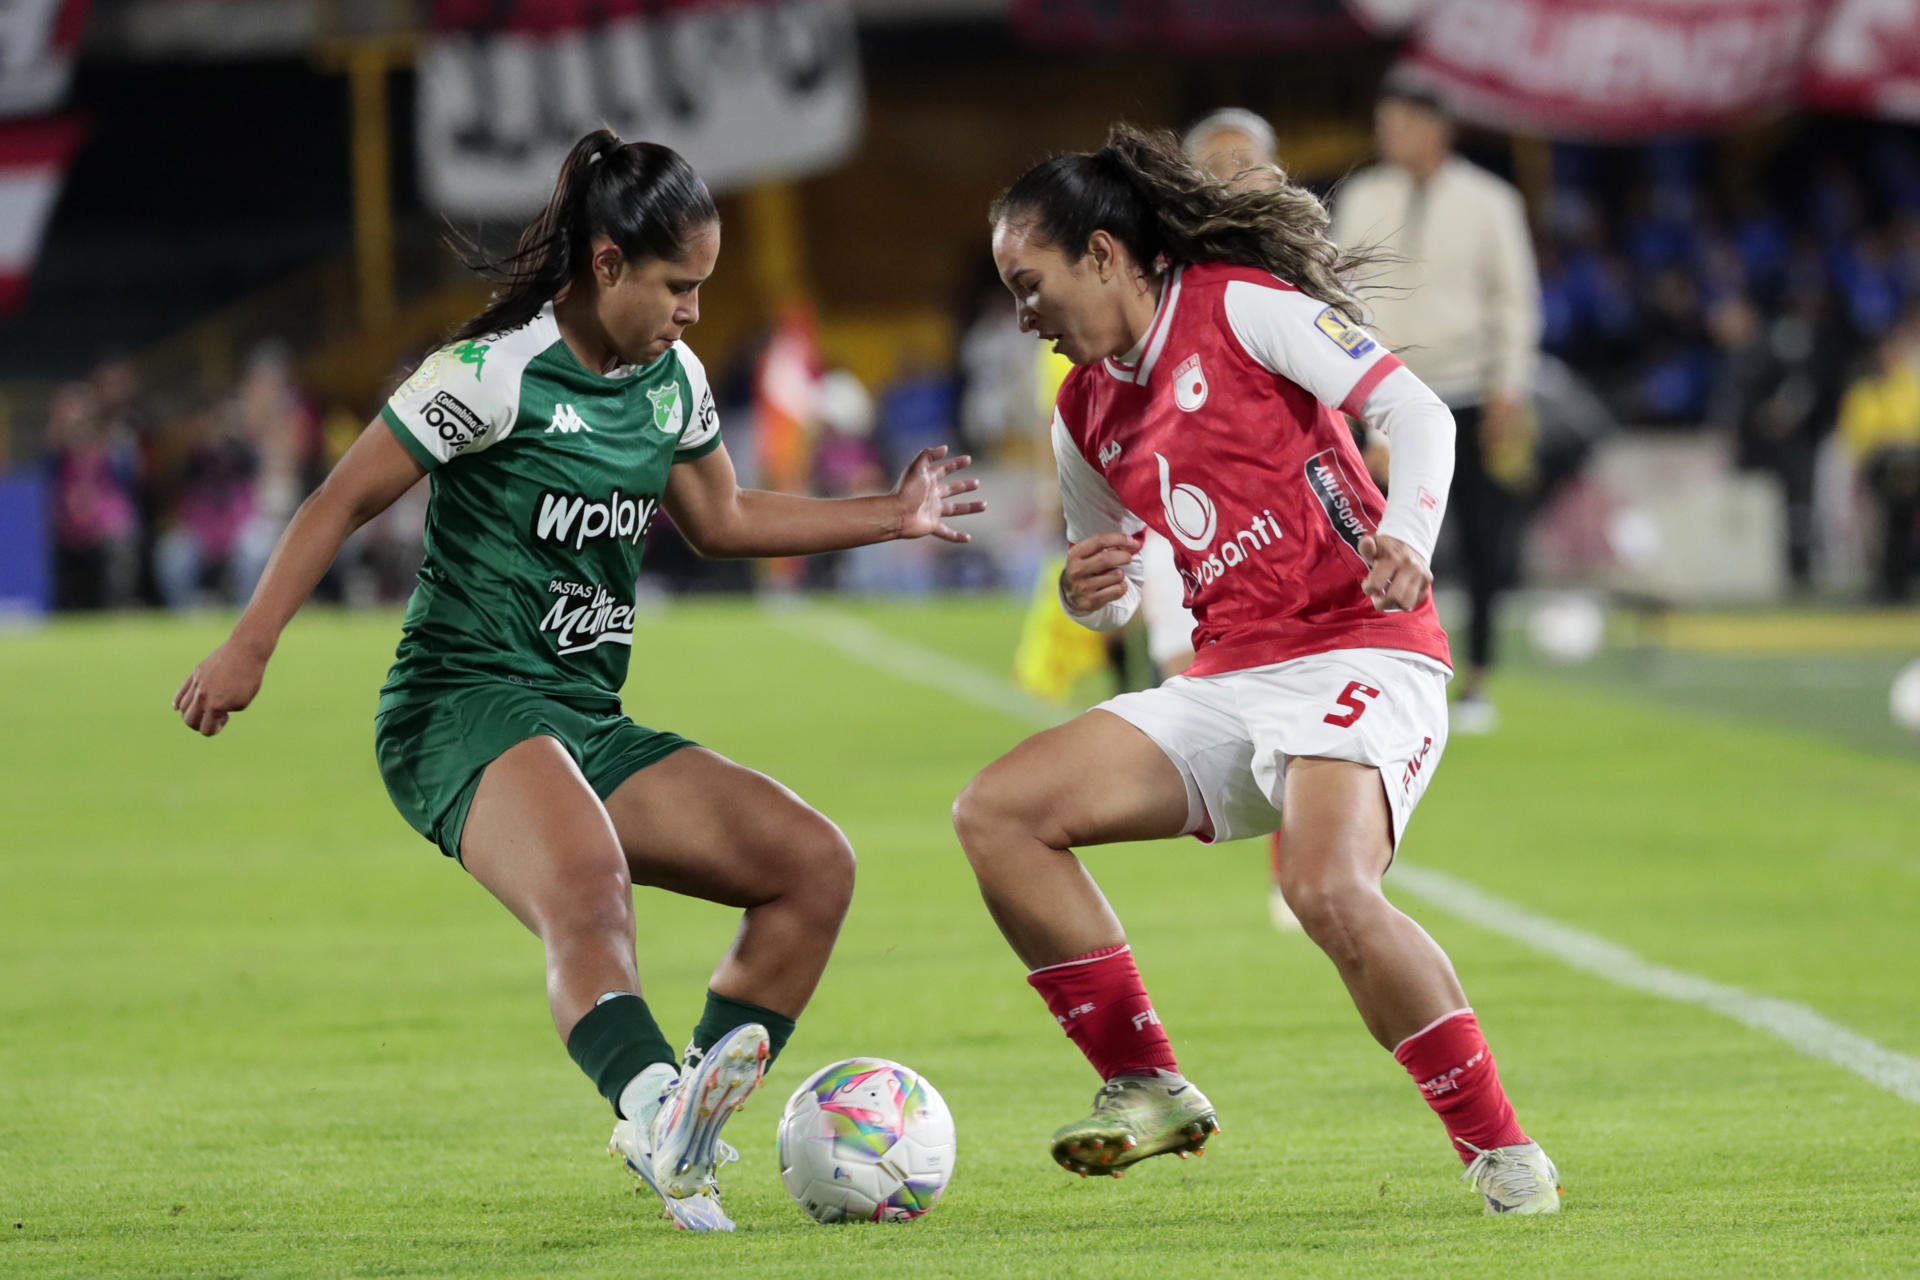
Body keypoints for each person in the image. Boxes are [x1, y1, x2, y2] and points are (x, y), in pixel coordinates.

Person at [172, 129, 983, 1233]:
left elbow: (724, 518)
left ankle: (683, 1108)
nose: (696, 309)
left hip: (584, 719)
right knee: (588, 883)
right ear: (607, 263)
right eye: (678, 285)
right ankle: (655, 1109)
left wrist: (891, 514)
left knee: (810, 864)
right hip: (460, 705)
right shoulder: (491, 370)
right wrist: (250, 644)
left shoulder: (673, 380)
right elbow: (340, 499)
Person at [954, 122, 1560, 1215]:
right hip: (1229, 676)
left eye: (1029, 281)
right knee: (998, 812)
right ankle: (1144, 1084)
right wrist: (1097, 588)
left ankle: (1501, 1148)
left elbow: (1412, 411)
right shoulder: (1083, 409)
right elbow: (1119, 572)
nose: (1022, 312)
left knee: (1323, 883)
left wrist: (1410, 541)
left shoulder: (1238, 305)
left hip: (1362, 645)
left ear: (1103, 254)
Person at [1330, 79, 1542, 735]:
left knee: (1482, 540)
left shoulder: (1489, 201)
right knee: (1363, 534)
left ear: (1437, 130)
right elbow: (1336, 290)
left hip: (1468, 391)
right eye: (1384, 123)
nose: (1388, 136)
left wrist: (1511, 386)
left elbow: (1515, 299)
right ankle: (1370, 668)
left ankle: (1476, 678)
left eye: (1400, 124)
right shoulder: (1364, 195)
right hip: (1381, 394)